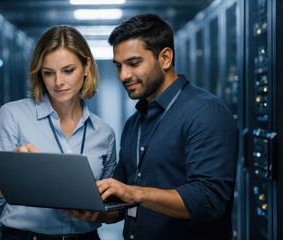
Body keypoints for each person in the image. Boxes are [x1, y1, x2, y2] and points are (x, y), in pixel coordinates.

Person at [67, 13, 239, 240]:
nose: (124, 75)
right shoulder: (134, 123)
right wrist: (93, 211)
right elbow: (122, 202)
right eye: (119, 66)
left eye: (134, 63)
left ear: (165, 58)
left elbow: (210, 200)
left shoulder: (205, 113)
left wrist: (136, 193)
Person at [0, 25, 117, 240]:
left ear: (87, 66)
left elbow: (110, 205)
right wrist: (9, 171)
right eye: (48, 73)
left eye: (68, 70)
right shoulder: (12, 115)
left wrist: (99, 211)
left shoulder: (104, 133)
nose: (58, 82)